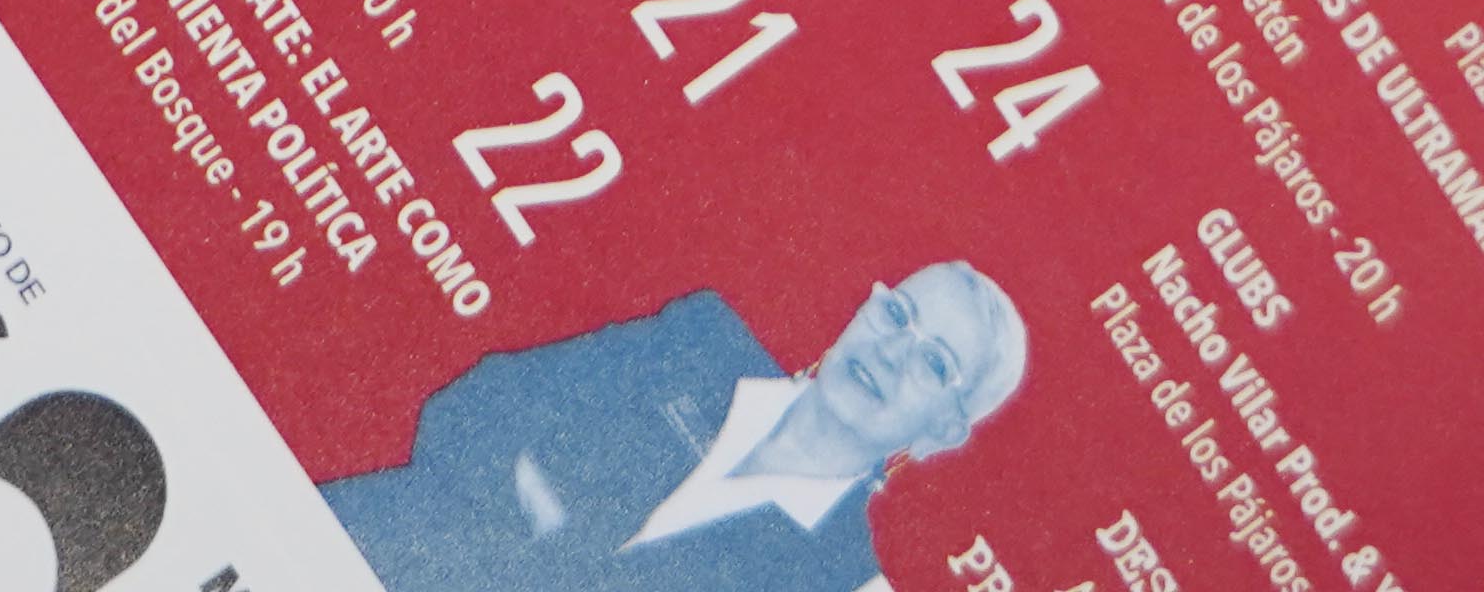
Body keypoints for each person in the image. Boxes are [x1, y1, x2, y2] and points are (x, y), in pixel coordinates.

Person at [325, 266, 1027, 592]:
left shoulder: (840, 583)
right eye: (896, 314)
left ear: (946, 428)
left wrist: (541, 504)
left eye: (934, 363)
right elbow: (482, 403)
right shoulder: (702, 341)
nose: (892, 351)